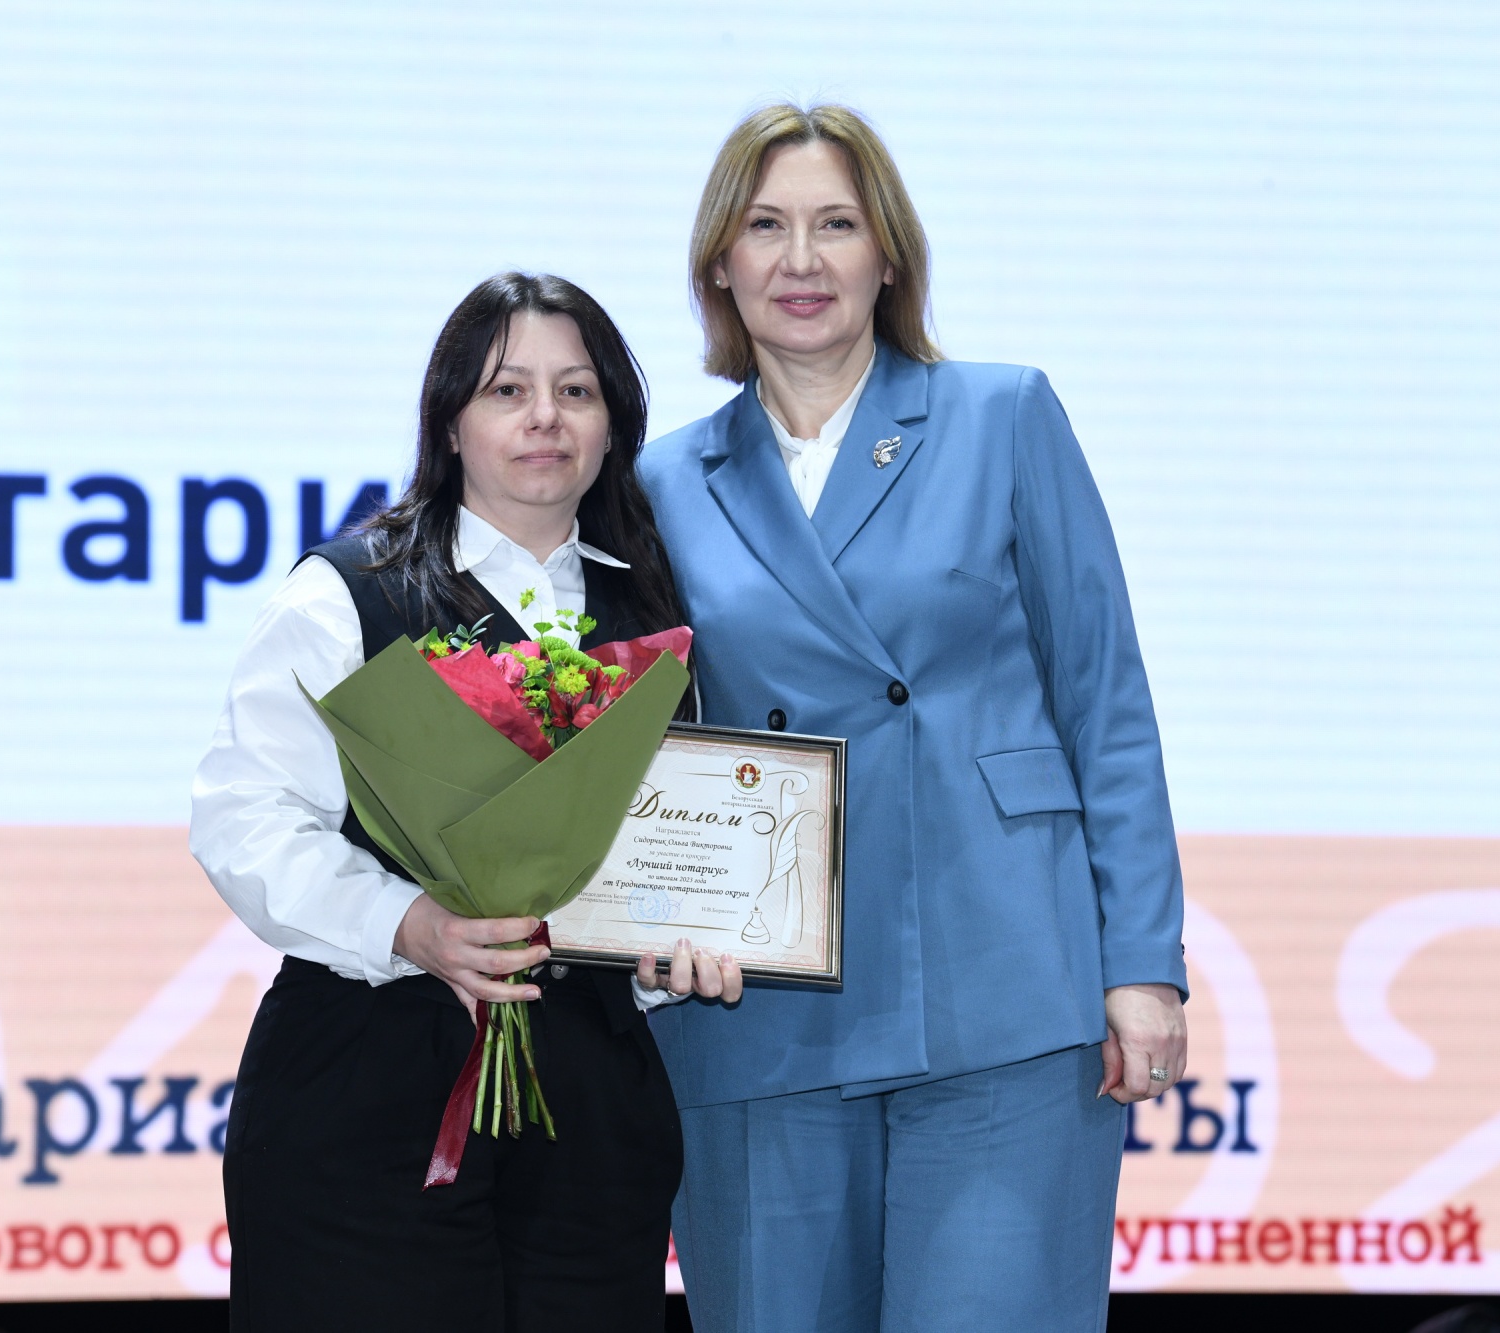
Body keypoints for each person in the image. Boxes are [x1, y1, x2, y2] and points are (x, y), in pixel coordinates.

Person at [637, 104, 1190, 1333]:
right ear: (717, 263)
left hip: (998, 977)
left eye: (835, 224)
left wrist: (1143, 964)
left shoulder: (1002, 415)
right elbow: (637, 747)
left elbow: (1104, 700)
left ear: (888, 255)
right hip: (759, 1009)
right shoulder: (661, 479)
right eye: (764, 226)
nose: (800, 260)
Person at [191, 272, 741, 1332]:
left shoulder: (660, 611)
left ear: (614, 424)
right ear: (449, 420)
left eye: (576, 391)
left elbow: (677, 842)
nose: (546, 418)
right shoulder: (348, 593)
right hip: (369, 1084)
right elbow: (242, 818)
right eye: (507, 390)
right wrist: (411, 923)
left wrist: (677, 953)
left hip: (591, 1113)